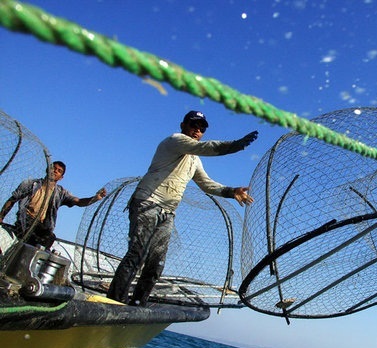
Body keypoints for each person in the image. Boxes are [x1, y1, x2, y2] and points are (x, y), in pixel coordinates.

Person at [107, 110, 258, 306]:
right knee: (137, 253)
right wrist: (235, 146)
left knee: (156, 263)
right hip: (148, 203)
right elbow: (207, 147)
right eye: (193, 125)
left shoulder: (195, 160)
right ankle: (115, 300)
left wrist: (231, 191)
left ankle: (138, 303)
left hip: (168, 212)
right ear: (183, 125)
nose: (197, 130)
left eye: (202, 128)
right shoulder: (175, 141)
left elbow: (207, 184)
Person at [0, 161, 107, 249]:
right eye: (53, 168)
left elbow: (78, 202)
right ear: (48, 169)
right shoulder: (30, 184)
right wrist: (1, 217)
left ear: (61, 177)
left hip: (41, 226)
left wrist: (95, 198)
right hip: (25, 221)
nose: (55, 171)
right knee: (30, 239)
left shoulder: (60, 193)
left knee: (49, 238)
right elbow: (13, 200)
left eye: (59, 171)